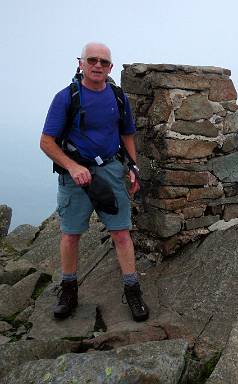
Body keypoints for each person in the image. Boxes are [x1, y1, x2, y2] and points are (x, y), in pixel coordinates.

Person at [40, 42, 149, 322]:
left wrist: (133, 166)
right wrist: (73, 166)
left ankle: (132, 290)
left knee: (122, 233)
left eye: (103, 62)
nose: (98, 65)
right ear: (81, 63)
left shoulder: (117, 96)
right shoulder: (66, 97)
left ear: (110, 67)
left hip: (111, 170)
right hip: (74, 176)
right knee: (71, 234)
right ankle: (68, 291)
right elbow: (46, 142)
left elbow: (127, 134)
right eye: (92, 60)